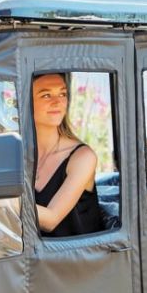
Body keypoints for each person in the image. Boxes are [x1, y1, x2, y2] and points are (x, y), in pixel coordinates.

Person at [32, 72, 103, 237]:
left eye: (62, 94)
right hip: (31, 258)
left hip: (78, 259)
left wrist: (2, 200)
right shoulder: (20, 153)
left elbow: (51, 220)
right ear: (26, 102)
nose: (57, 102)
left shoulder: (83, 157)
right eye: (46, 95)